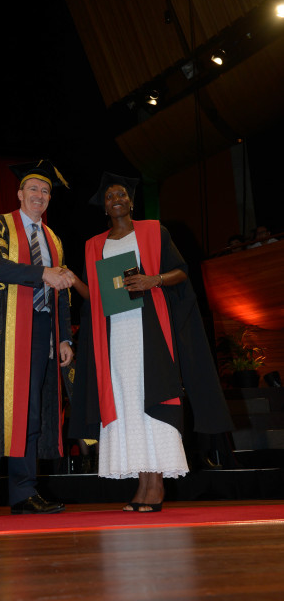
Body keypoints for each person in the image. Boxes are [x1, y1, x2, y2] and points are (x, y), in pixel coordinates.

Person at [68, 172, 233, 512]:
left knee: (152, 399)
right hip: (114, 336)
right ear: (103, 207)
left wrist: (152, 280)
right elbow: (94, 297)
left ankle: (156, 485)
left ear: (131, 202)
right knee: (127, 404)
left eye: (121, 195)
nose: (116, 199)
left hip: (149, 331)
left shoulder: (155, 232)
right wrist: (72, 279)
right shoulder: (94, 245)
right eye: (109, 196)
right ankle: (142, 484)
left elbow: (182, 271)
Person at [0, 160, 74, 518]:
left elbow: (62, 292)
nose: (40, 195)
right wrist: (43, 273)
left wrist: (64, 338)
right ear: (20, 194)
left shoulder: (53, 239)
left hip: (40, 331)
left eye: (45, 191)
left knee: (31, 412)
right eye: (33, 189)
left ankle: (24, 493)